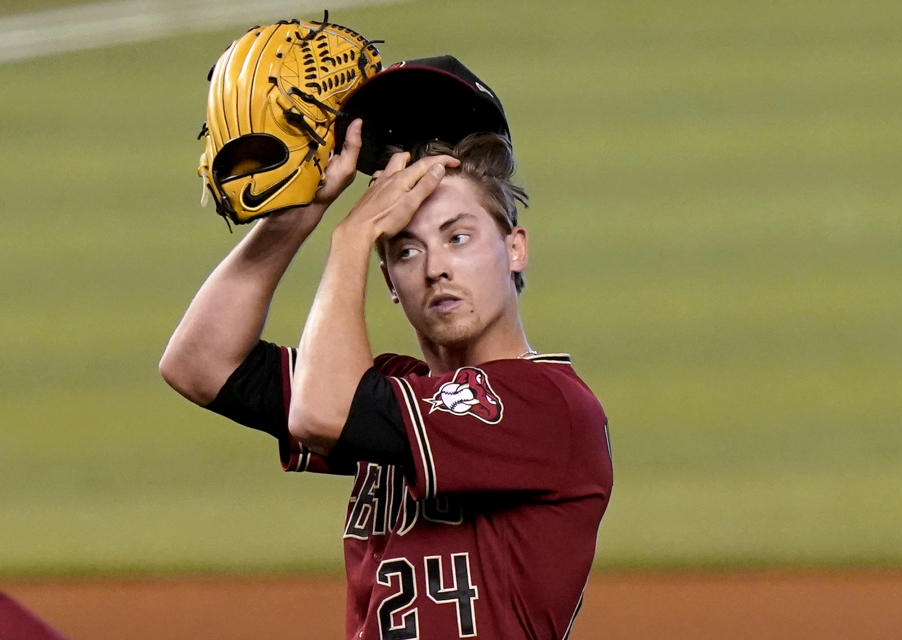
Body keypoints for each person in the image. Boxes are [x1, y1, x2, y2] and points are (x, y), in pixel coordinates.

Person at [160, 57, 613, 640]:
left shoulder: (549, 407)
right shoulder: (392, 394)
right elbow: (198, 364)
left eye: (459, 236)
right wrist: (300, 215)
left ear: (515, 248)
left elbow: (322, 413)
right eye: (405, 250)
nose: (437, 269)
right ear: (390, 283)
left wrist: (352, 238)